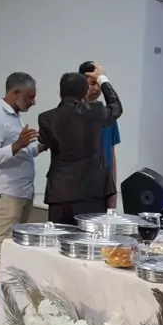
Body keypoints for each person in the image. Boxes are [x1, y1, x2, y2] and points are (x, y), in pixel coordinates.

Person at [0, 72, 43, 325]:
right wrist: (16, 145)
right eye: (30, 97)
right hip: (7, 194)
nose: (33, 102)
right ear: (15, 93)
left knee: (14, 250)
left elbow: (22, 153)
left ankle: (11, 304)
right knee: (3, 250)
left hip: (22, 192)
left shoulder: (15, 117)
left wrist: (41, 146)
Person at [38, 66, 122, 225]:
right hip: (91, 193)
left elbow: (43, 144)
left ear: (60, 92)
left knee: (58, 239)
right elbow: (116, 106)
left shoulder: (46, 118)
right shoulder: (96, 112)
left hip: (59, 194)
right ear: (85, 92)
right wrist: (102, 79)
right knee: (87, 239)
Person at [79, 61, 121, 209]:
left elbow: (112, 156)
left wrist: (113, 193)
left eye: (99, 83)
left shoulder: (108, 115)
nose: (97, 88)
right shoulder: (73, 114)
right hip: (79, 188)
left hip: (103, 187)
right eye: (92, 83)